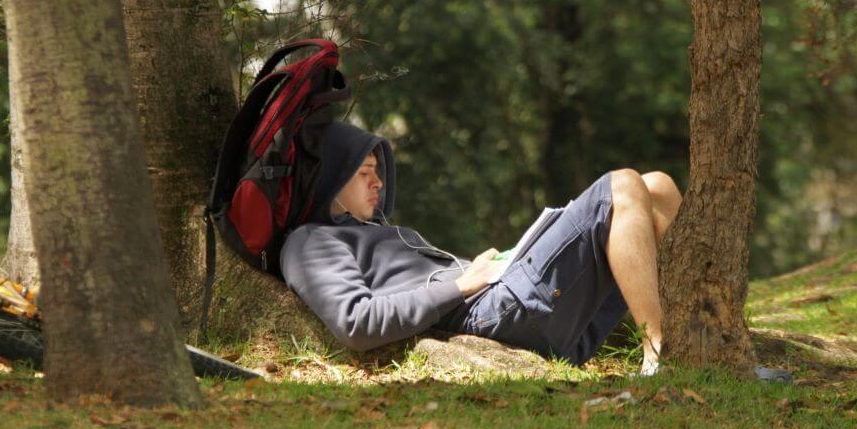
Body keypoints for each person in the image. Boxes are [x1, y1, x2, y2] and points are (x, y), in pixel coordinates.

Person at [280, 122, 682, 375]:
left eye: (377, 172)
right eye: (363, 173)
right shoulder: (311, 241)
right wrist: (460, 286)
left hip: (521, 308)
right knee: (622, 184)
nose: (378, 183)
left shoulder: (376, 231)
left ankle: (692, 334)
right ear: (329, 180)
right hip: (490, 312)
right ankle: (662, 354)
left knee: (658, 187)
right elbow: (356, 322)